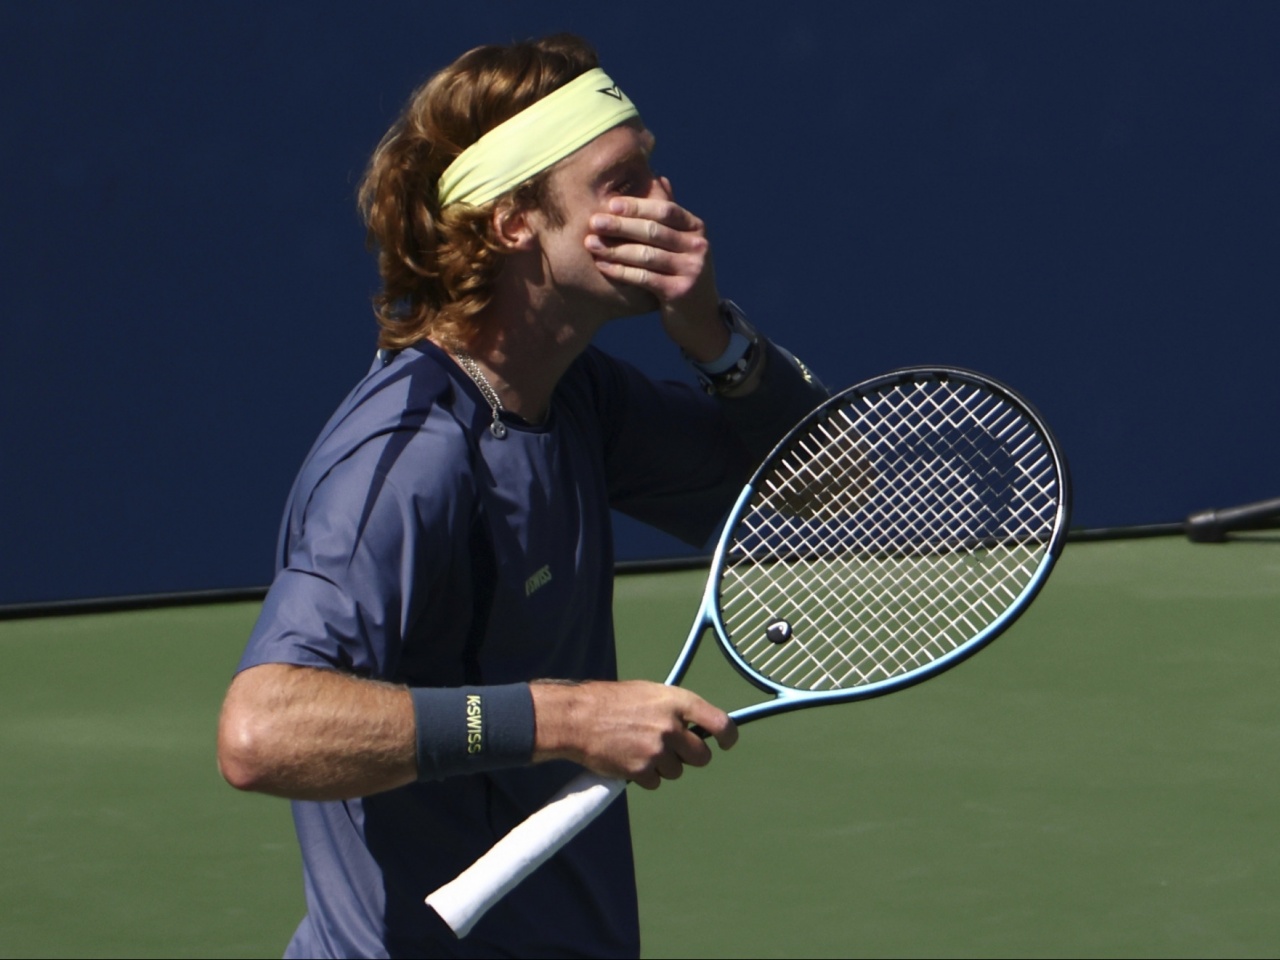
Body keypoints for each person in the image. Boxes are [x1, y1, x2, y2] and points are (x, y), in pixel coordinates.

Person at [217, 33, 828, 958]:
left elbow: (824, 482)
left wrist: (711, 335)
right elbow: (262, 730)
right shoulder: (411, 458)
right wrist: (571, 717)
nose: (666, 202)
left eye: (654, 169)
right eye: (622, 181)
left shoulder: (576, 397)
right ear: (513, 223)